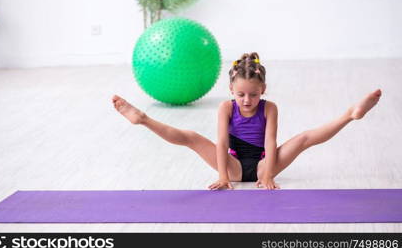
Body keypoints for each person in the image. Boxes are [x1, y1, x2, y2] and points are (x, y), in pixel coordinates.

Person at [112, 52, 382, 190]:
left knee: (302, 139)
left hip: (267, 164)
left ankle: (350, 114)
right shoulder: (226, 108)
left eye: (253, 94)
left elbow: (271, 141)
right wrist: (222, 176)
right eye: (240, 94)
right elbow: (220, 142)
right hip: (234, 167)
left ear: (263, 90)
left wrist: (266, 175)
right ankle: (143, 119)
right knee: (192, 138)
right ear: (231, 90)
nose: (246, 100)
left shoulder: (270, 108)